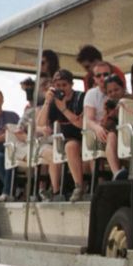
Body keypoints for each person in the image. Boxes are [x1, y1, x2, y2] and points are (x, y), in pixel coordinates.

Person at [37, 69, 86, 202]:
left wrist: (64, 108)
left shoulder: (81, 97)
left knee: (70, 146)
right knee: (64, 147)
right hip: (68, 139)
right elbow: (40, 124)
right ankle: (58, 190)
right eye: (58, 86)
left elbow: (82, 124)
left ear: (71, 84)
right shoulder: (54, 102)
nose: (61, 89)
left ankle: (79, 187)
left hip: (85, 136)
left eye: (64, 85)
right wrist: (47, 102)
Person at [102, 75, 133, 180]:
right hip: (118, 137)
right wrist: (107, 111)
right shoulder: (110, 105)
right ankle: (117, 173)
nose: (113, 93)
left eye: (116, 89)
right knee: (111, 136)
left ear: (123, 88)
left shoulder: (129, 100)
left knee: (111, 136)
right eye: (110, 92)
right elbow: (106, 126)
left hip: (132, 134)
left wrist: (113, 111)